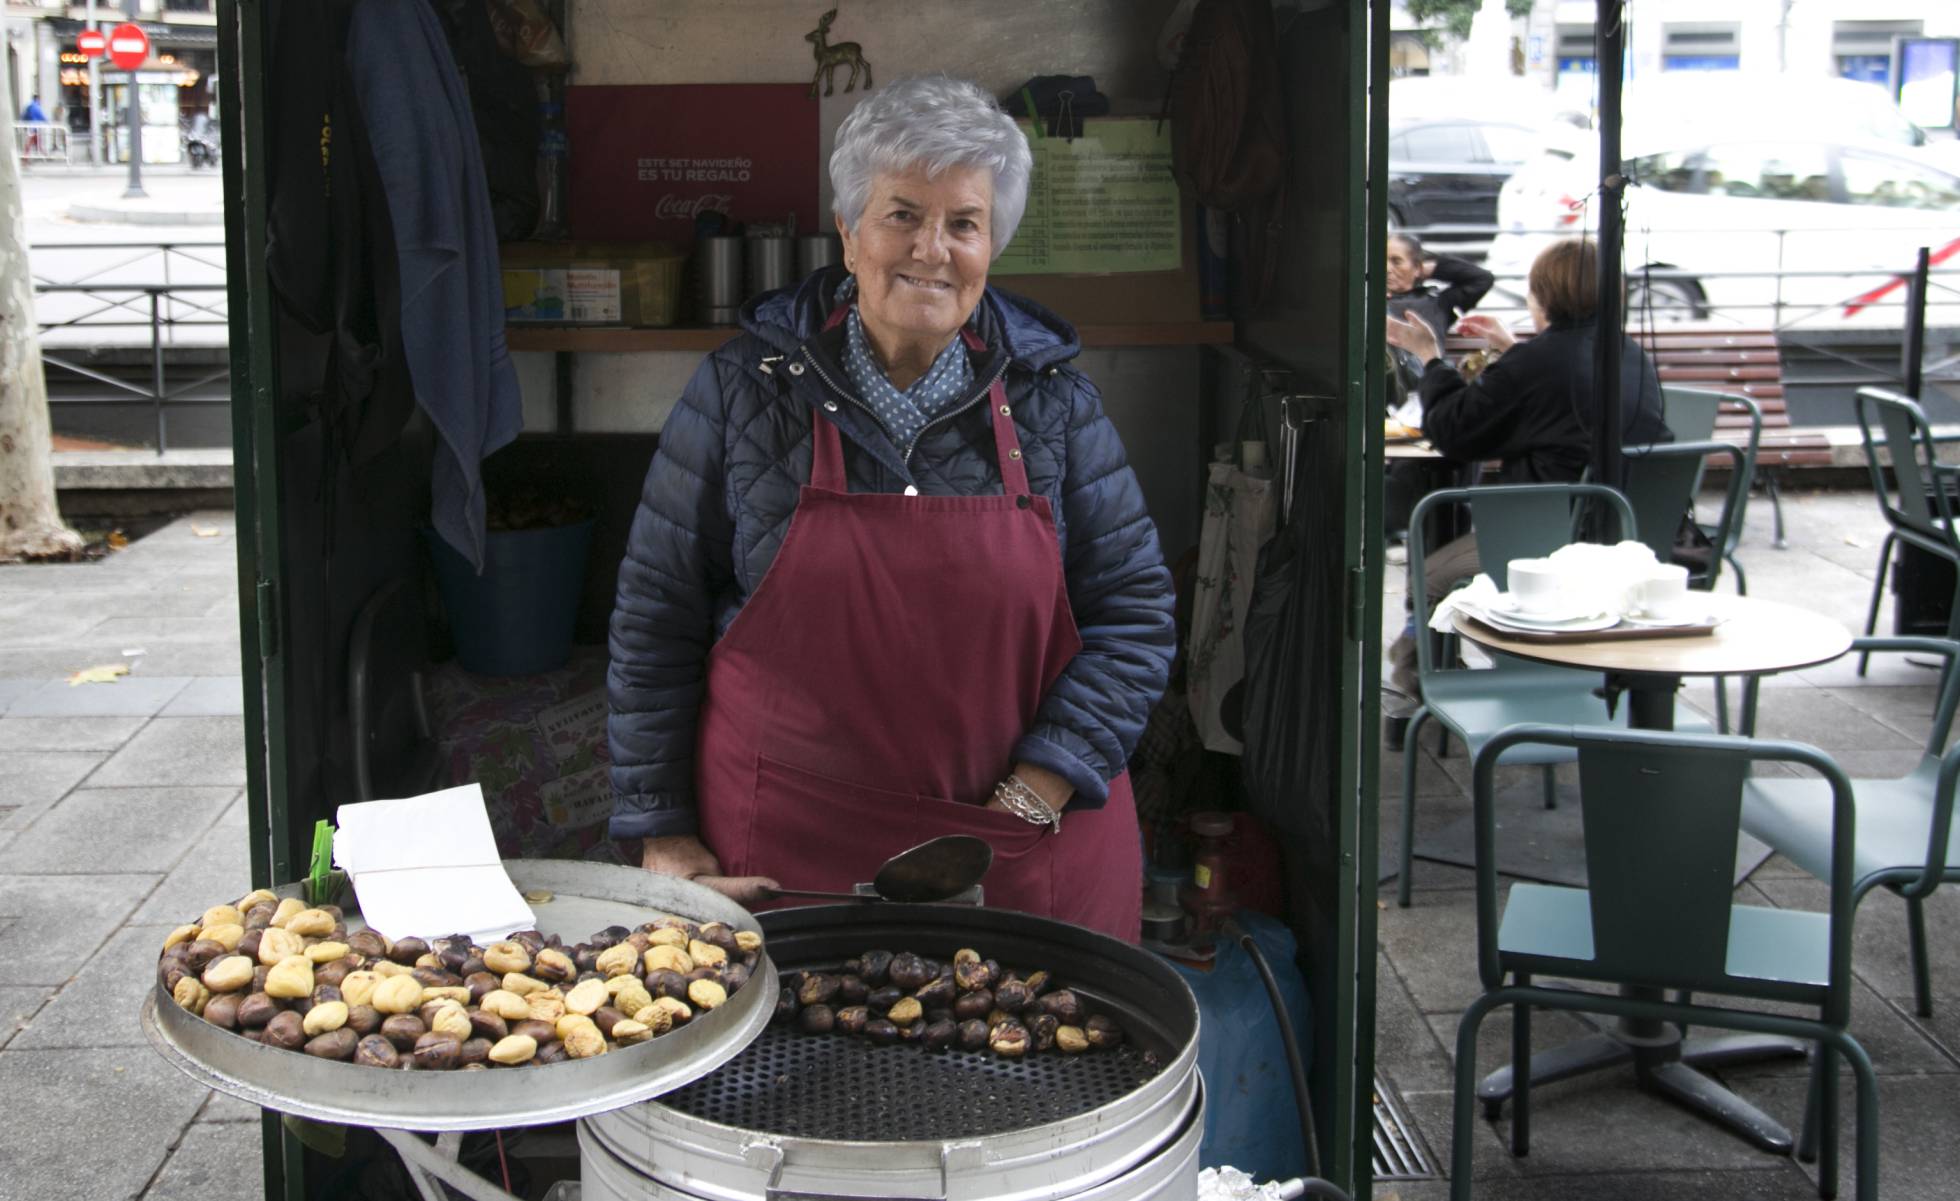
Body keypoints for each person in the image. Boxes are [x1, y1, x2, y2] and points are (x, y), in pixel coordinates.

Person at [607, 75, 1175, 942]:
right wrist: (660, 828)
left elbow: (1134, 616)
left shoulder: (1055, 406)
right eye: (902, 214)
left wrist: (1038, 788)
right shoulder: (742, 391)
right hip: (787, 852)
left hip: (1016, 848)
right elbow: (656, 617)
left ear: (994, 244)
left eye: (963, 223)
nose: (931, 249)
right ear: (848, 231)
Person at [1379, 236, 1670, 715]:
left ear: (1544, 296)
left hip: (1552, 543)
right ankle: (1544, 671)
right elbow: (1559, 396)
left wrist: (1430, 357)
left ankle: (1432, 690)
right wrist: (1513, 349)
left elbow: (1454, 431)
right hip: (1631, 533)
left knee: (1428, 575)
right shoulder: (1629, 354)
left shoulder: (1537, 362)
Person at [1382, 234, 1494, 542]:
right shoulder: (1370, 301)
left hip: (1425, 400)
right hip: (1383, 400)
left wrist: (1428, 268)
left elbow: (1480, 278)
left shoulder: (1436, 303)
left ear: (1416, 267)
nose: (1388, 269)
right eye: (1381, 262)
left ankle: (1417, 527)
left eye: (1397, 261)